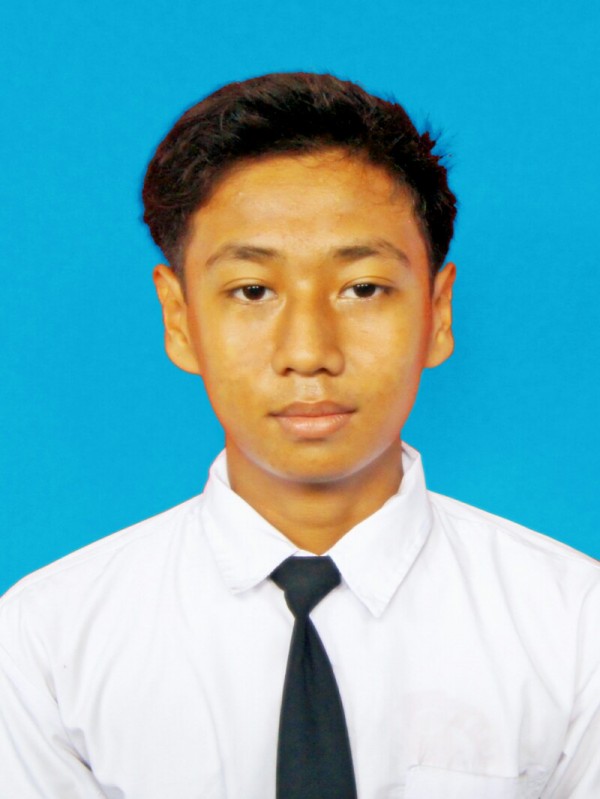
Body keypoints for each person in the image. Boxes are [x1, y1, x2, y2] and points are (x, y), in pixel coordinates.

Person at [0, 72, 598, 799]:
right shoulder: (46, 641)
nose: (309, 351)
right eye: (253, 291)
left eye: (363, 288)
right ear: (179, 318)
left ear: (438, 313)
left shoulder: (575, 628)